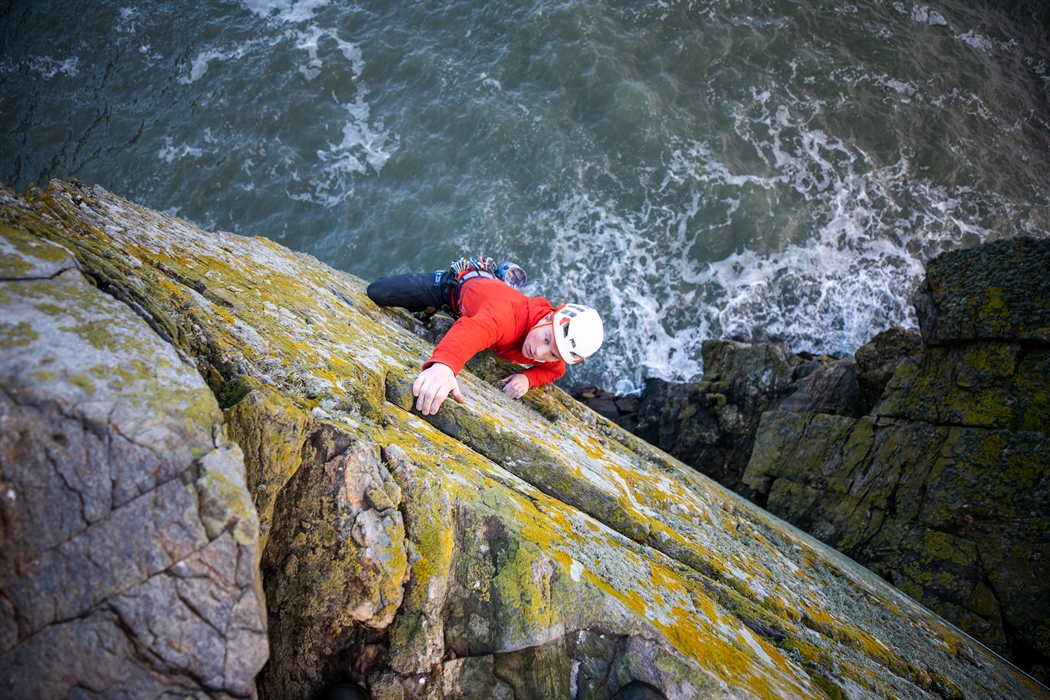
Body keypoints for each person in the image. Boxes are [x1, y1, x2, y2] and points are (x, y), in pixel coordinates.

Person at [367, 257, 604, 416]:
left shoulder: (554, 350)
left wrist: (528, 379)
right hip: (456, 288)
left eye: (552, 353)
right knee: (377, 292)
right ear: (546, 318)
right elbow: (474, 329)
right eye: (545, 339)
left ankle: (502, 280)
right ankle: (493, 277)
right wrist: (444, 367)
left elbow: (556, 370)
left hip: (494, 299)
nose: (539, 353)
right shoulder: (505, 319)